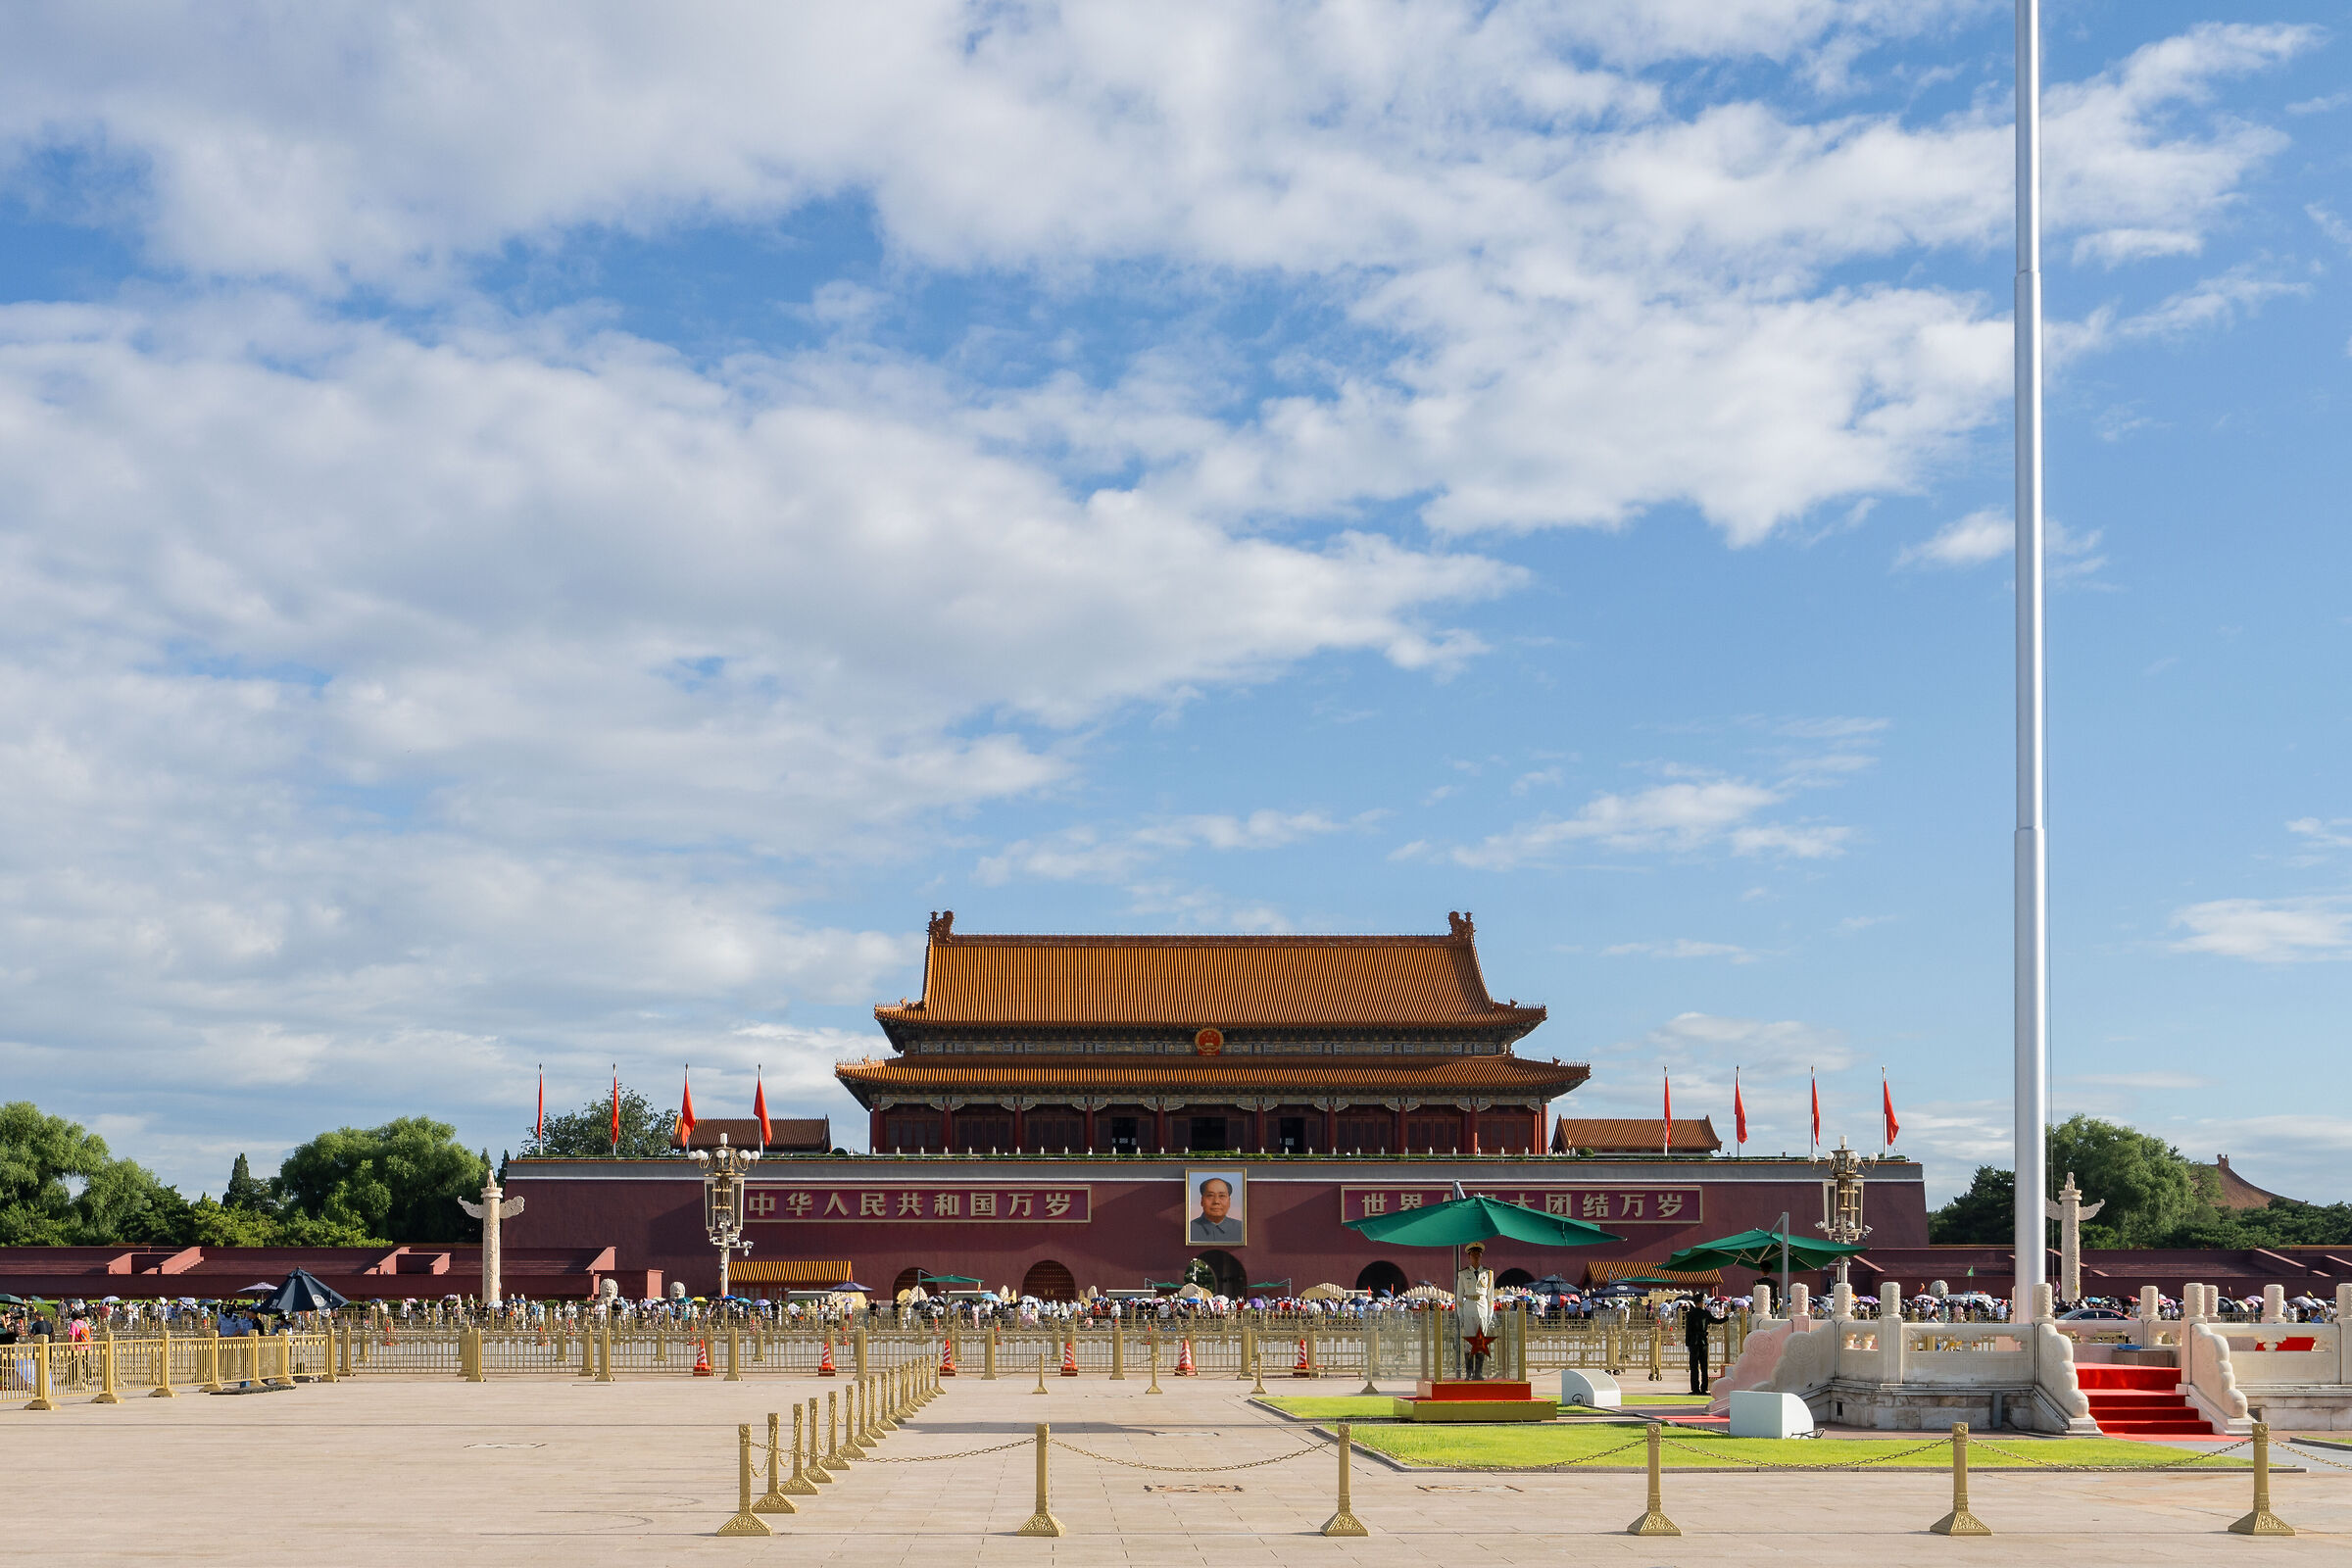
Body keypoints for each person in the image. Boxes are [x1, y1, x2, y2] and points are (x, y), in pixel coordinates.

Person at [1455, 1243, 1496, 1380]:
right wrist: (1460, 1313)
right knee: (1469, 1342)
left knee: (1481, 1342)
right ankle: (1468, 1372)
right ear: (1469, 1257)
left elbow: (1490, 1295)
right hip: (1469, 1308)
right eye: (1474, 1255)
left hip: (1483, 1307)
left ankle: (1478, 1372)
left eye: (1478, 1255)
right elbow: (1459, 1296)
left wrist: (1490, 1311)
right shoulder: (1463, 1274)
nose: (1476, 1258)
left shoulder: (1488, 1273)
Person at [1682, 1292, 1722, 1396]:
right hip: (1703, 1341)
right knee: (1704, 1366)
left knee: (1694, 1366)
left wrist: (1687, 1343)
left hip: (1693, 1342)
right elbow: (1716, 1321)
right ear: (1700, 1303)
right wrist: (1726, 1318)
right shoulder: (1706, 1314)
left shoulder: (1690, 1314)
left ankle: (1695, 1389)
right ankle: (1704, 1388)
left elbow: (1688, 1330)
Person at [1188, 1176, 1243, 1243]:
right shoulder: (1188, 1229)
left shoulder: (1242, 1229)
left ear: (1229, 1201)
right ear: (1202, 1201)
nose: (1216, 1201)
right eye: (1210, 1196)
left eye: (1222, 1196)